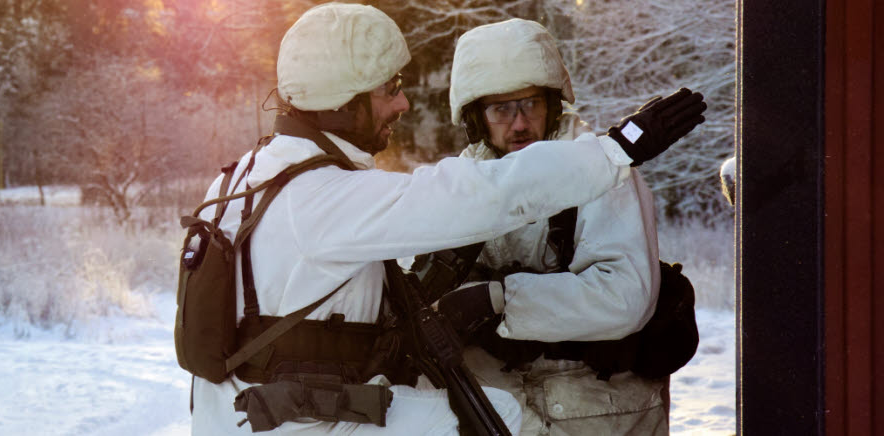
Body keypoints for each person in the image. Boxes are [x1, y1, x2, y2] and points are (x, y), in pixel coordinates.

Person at [188, 4, 705, 435]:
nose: (404, 102)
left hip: (258, 412)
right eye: (389, 89)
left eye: (530, 104)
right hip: (301, 417)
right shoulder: (323, 195)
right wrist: (615, 150)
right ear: (345, 105)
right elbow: (479, 195)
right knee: (487, 418)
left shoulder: (243, 178)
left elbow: (623, 297)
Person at [444, 18, 696, 435]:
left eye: (530, 105)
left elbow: (623, 298)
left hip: (599, 410)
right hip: (500, 408)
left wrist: (498, 301)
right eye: (501, 109)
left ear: (553, 104)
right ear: (476, 118)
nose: (520, 123)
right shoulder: (461, 185)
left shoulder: (604, 176)